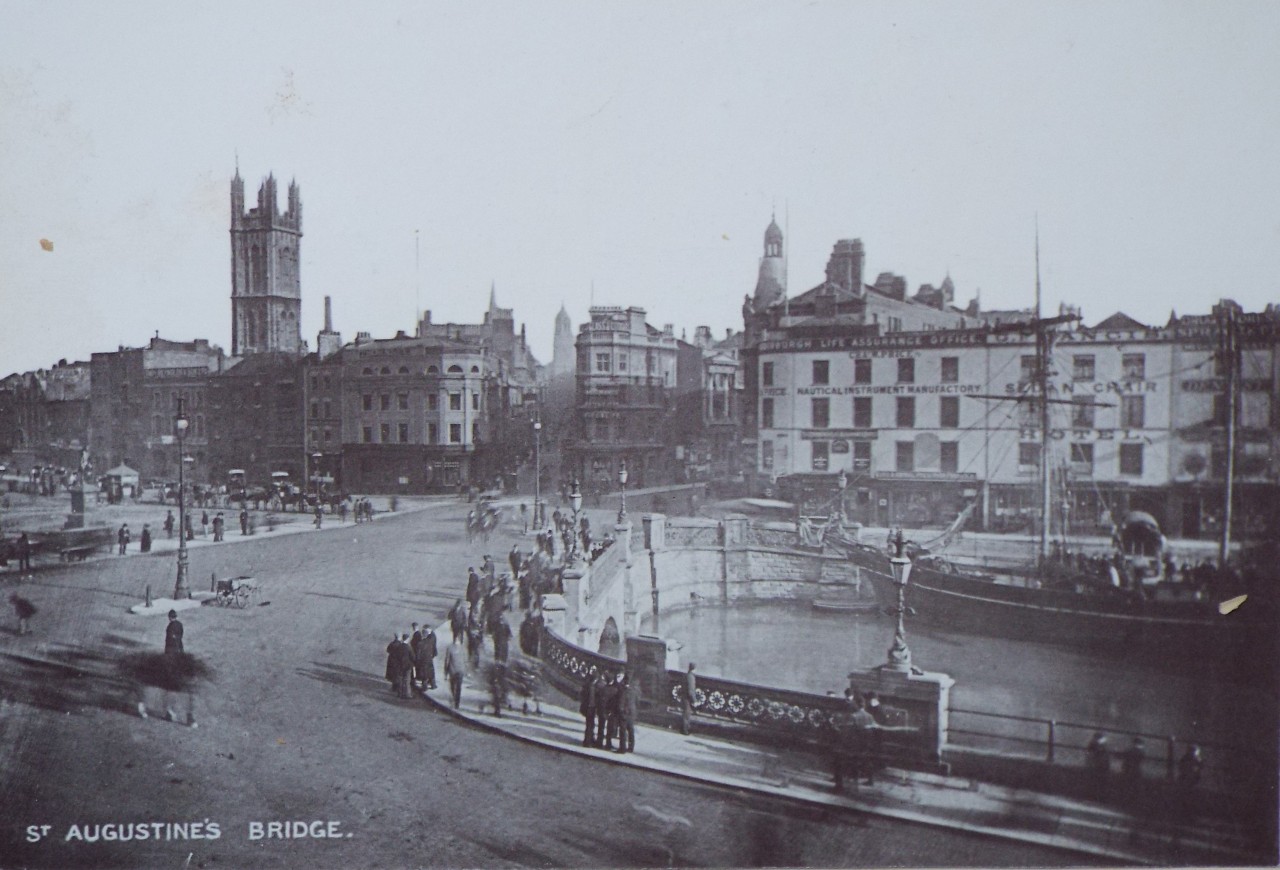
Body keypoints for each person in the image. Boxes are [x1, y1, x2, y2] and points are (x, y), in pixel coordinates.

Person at [615, 672, 639, 754]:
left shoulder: (623, 691)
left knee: (622, 731)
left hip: (624, 713)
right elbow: (637, 701)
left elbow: (620, 702)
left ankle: (622, 748)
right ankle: (631, 747)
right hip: (632, 713)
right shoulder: (634, 690)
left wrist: (620, 712)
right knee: (631, 731)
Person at [597, 671, 619, 750]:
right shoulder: (615, 690)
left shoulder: (603, 689)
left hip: (602, 711)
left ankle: (599, 742)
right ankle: (608, 744)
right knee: (609, 729)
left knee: (601, 727)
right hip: (610, 712)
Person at [443, 635, 466, 708]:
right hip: (460, 670)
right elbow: (465, 660)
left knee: (452, 686)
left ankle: (453, 697)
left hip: (452, 670)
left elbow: (447, 661)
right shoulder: (463, 648)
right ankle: (457, 703)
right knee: (459, 687)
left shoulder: (450, 648)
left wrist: (445, 673)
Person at [417, 626, 438, 691]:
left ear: (423, 635)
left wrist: (417, 661)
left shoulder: (420, 643)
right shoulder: (430, 642)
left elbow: (418, 654)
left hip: (423, 660)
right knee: (431, 673)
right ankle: (433, 685)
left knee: (424, 674)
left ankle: (424, 687)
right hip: (429, 659)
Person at [681, 663, 697, 735]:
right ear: (694, 669)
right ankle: (685, 730)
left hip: (684, 697)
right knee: (687, 714)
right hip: (687, 698)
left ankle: (686, 729)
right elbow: (691, 690)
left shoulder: (687, 675)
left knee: (686, 714)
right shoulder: (691, 677)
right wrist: (694, 700)